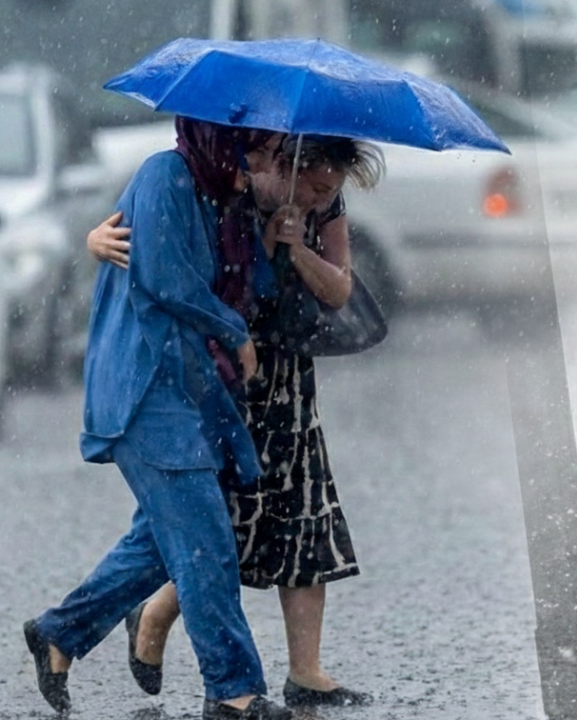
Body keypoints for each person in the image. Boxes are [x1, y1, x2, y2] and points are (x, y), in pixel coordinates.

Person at [87, 134, 385, 708]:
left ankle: (307, 670)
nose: (325, 197)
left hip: (288, 376)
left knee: (304, 514)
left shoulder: (328, 209)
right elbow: (136, 238)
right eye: (317, 184)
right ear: (286, 166)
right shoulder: (232, 184)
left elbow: (340, 289)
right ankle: (151, 617)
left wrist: (299, 249)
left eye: (333, 190)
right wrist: (94, 240)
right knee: (215, 519)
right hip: (223, 372)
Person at [23, 117, 295, 720]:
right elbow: (167, 279)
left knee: (157, 545)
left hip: (191, 391)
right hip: (145, 387)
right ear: (226, 142)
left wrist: (276, 239)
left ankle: (59, 634)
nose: (265, 166)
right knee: (205, 543)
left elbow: (249, 289)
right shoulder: (165, 176)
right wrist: (231, 330)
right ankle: (232, 689)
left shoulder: (222, 197)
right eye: (262, 153)